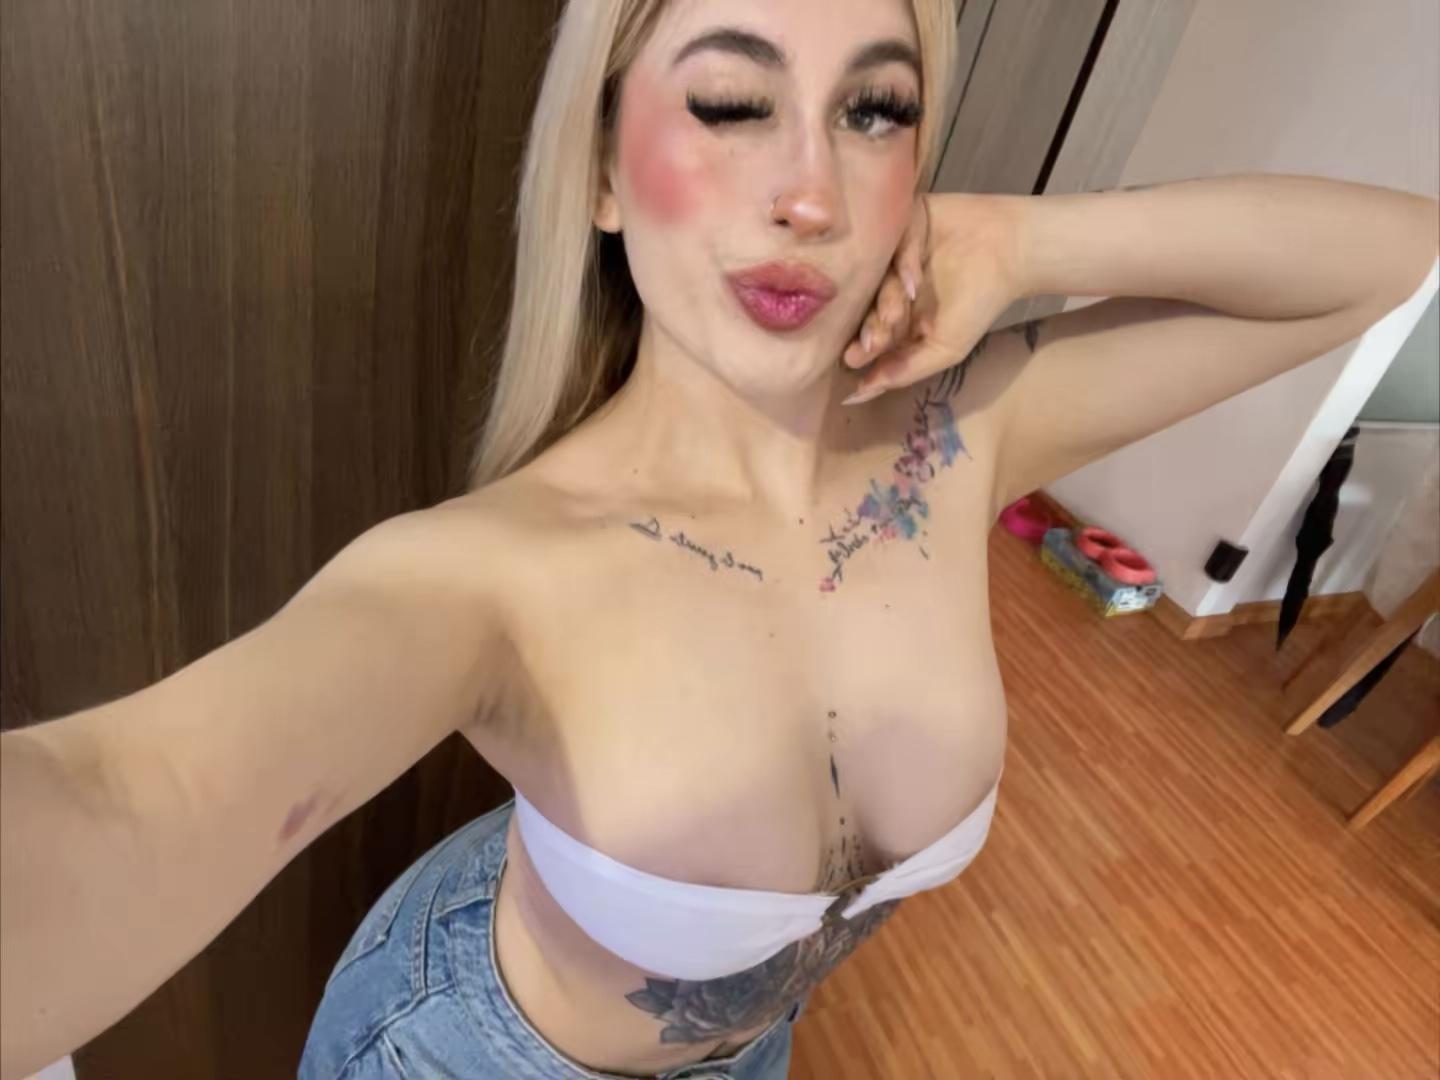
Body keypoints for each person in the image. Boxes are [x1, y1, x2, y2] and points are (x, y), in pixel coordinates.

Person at [2, 0, 1435, 1076]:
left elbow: (1385, 256)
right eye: (734, 103)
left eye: (874, 111)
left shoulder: (958, 439)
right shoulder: (488, 579)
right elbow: (128, 791)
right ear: (603, 173)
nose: (811, 192)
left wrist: (1021, 241)